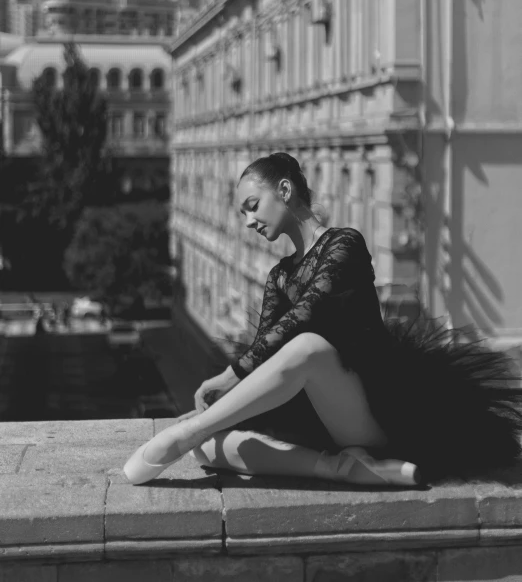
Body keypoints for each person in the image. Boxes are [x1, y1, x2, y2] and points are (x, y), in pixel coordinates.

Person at [124, 153, 522, 487]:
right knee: (208, 447)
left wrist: (226, 379)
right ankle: (343, 469)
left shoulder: (343, 244)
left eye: (252, 206)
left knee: (308, 347)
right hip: (319, 418)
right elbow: (265, 347)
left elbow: (305, 315)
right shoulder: (279, 275)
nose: (248, 221)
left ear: (284, 190)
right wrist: (217, 406)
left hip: (375, 407)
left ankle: (188, 435)